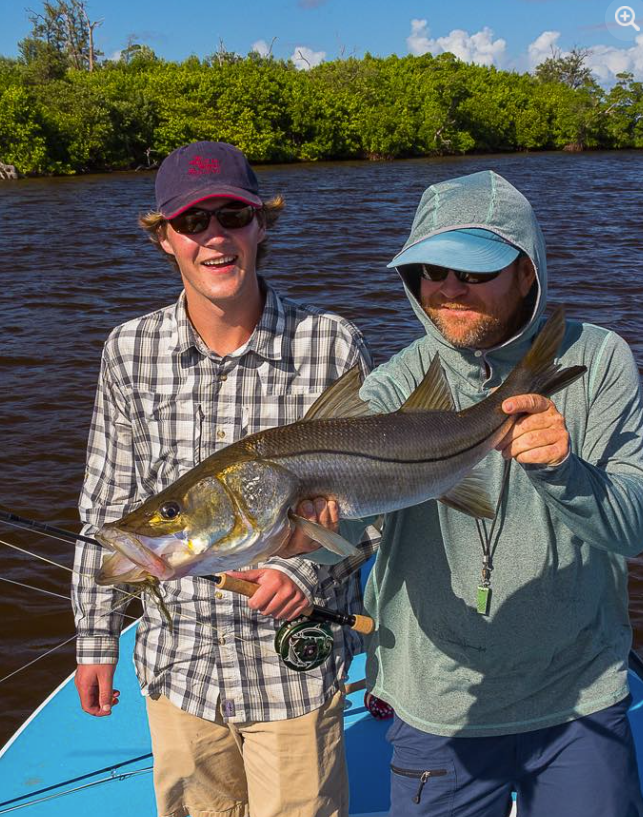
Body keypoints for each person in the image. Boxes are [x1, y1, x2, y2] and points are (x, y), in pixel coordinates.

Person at [71, 140, 376, 817]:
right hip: (177, 670)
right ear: (164, 238)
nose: (214, 237)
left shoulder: (330, 342)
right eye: (191, 221)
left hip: (291, 675)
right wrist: (95, 641)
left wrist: (299, 571)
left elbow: (373, 505)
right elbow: (108, 505)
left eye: (232, 217)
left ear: (261, 225)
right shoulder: (128, 350)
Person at [358, 169, 643, 816]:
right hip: (442, 706)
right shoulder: (392, 386)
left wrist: (565, 470)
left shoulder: (599, 362)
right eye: (431, 270)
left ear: (525, 271)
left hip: (576, 696)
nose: (448, 288)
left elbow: (632, 529)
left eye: (472, 271)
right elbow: (338, 534)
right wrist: (305, 536)